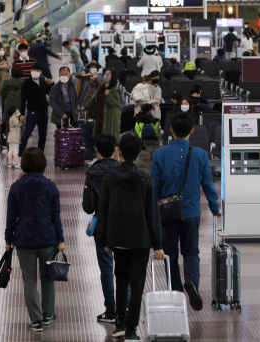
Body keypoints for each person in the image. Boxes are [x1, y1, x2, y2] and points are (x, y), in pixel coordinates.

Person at [95, 132, 164, 342]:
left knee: (121, 280)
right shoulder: (146, 180)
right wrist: (158, 244)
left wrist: (105, 241)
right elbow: (153, 214)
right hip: (140, 239)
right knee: (137, 284)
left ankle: (120, 324)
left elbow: (103, 211)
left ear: (119, 151)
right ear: (139, 152)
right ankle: (132, 330)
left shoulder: (109, 180)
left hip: (117, 238)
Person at [150, 112, 220, 311]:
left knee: (169, 254)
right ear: (192, 130)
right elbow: (208, 185)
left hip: (166, 214)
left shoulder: (160, 154)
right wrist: (215, 208)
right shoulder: (200, 155)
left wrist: (153, 213)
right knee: (191, 252)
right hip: (191, 212)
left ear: (171, 130)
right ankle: (192, 281)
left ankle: (177, 293)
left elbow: (154, 187)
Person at [5, 147, 65, 332]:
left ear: (23, 165)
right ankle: (48, 314)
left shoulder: (16, 187)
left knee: (29, 281)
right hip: (48, 238)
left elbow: (11, 217)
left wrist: (8, 239)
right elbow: (56, 216)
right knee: (48, 278)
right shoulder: (50, 186)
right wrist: (60, 239)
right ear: (42, 164)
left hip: (24, 240)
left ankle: (36, 320)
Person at [82, 132, 120, 323]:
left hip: (103, 226)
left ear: (96, 151)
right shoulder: (123, 170)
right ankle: (126, 308)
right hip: (123, 225)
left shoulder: (92, 173)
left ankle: (111, 310)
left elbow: (88, 206)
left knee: (106, 268)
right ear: (115, 149)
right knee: (123, 267)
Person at [19, 63, 54, 156]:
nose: (35, 72)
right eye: (34, 70)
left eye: (37, 71)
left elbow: (50, 92)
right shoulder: (26, 83)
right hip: (32, 112)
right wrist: (22, 114)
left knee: (43, 135)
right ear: (31, 71)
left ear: (41, 72)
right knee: (26, 134)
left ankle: (40, 155)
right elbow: (22, 100)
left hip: (44, 112)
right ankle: (19, 155)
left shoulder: (43, 81)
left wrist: (52, 83)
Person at [81, 69, 121, 139]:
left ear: (112, 78)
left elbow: (113, 103)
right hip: (100, 115)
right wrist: (85, 107)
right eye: (105, 74)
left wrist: (108, 96)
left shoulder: (114, 90)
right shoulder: (101, 88)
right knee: (99, 135)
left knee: (107, 137)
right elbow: (94, 99)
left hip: (109, 117)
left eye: (108, 75)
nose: (105, 76)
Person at [2, 65, 25, 138]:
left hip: (8, 107)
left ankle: (8, 145)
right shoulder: (23, 83)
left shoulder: (6, 82)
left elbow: (2, 94)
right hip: (19, 107)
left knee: (8, 126)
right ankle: (19, 144)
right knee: (20, 126)